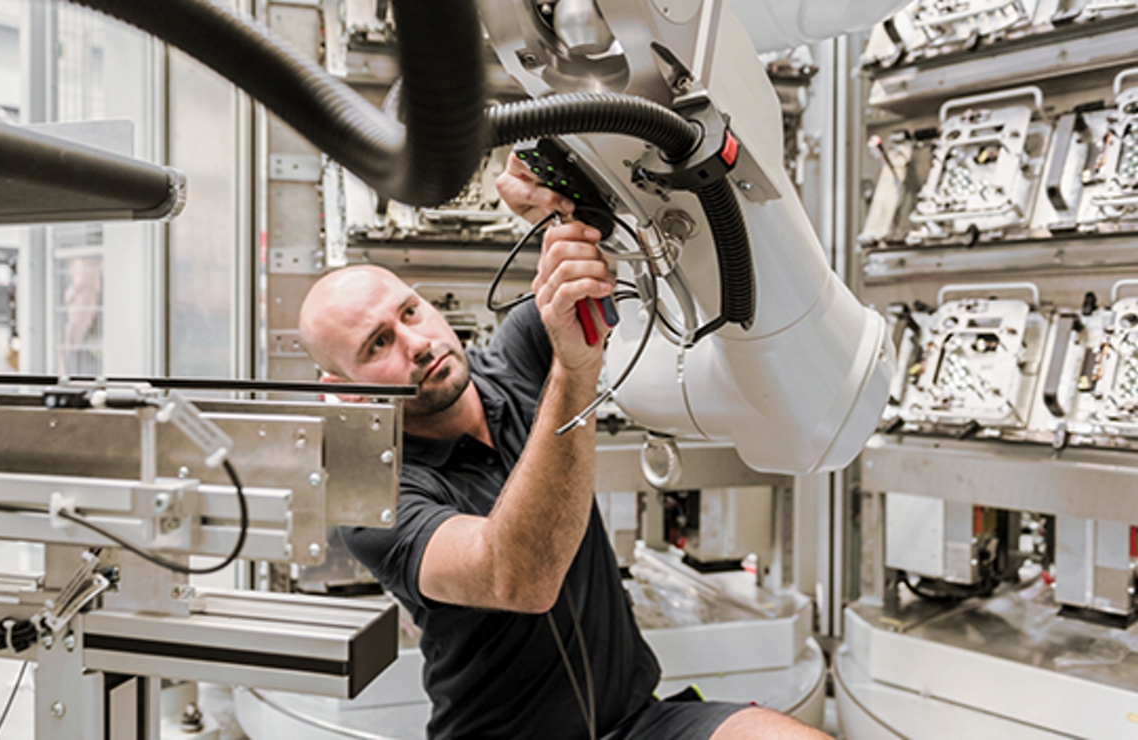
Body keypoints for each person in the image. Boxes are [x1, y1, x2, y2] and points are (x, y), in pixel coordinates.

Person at [297, 155, 831, 740]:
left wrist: (557, 194)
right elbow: (518, 578)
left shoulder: (516, 357)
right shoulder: (375, 494)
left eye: (410, 312)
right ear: (343, 392)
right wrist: (574, 373)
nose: (417, 344)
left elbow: (623, 228)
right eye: (379, 345)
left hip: (636, 722)